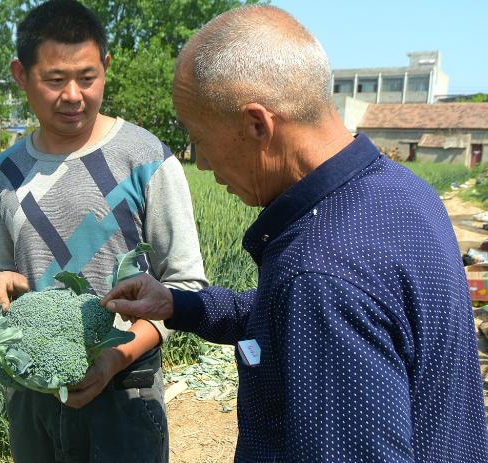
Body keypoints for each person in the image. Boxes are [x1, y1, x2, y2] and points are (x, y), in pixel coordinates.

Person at [103, 5, 488, 463]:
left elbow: (314, 299)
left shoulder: (319, 273)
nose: (201, 162)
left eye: (198, 138)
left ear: (257, 125)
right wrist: (177, 303)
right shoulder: (401, 191)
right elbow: (281, 317)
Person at [0, 1, 208, 461]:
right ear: (21, 75)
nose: (74, 95)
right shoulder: (6, 172)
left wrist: (113, 359)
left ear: (106, 66)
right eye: (55, 80)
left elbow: (184, 284)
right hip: (32, 395)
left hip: (127, 391)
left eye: (87, 77)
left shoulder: (146, 159)